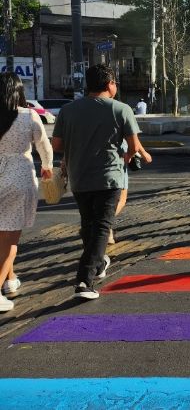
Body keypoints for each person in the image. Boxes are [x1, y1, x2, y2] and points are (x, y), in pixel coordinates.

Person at [52, 64, 151, 300]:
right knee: (102, 227)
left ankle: (98, 264)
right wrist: (128, 157)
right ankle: (84, 281)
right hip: (109, 177)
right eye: (115, 82)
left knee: (89, 224)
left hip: (79, 177)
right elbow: (134, 145)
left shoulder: (68, 110)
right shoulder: (121, 109)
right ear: (110, 84)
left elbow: (56, 145)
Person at [0, 73, 53, 311]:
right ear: (19, 92)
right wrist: (47, 168)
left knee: (3, 230)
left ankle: (10, 280)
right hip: (18, 177)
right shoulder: (28, 116)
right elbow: (44, 146)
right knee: (11, 237)